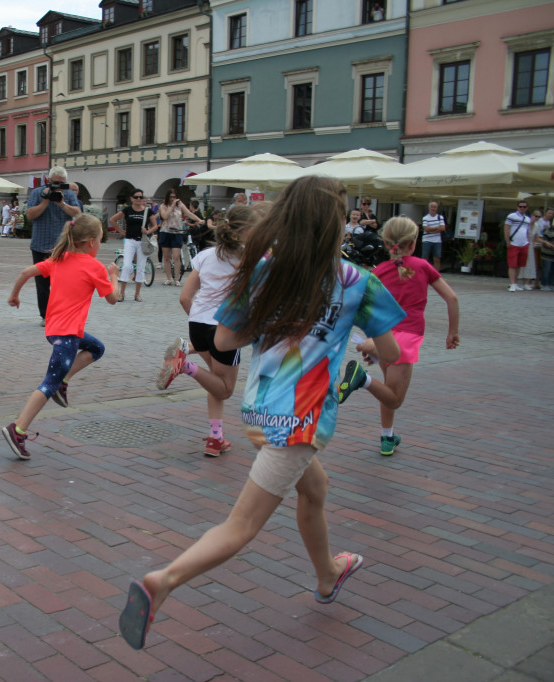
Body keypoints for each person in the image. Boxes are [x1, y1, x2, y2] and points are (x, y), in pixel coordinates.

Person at [117, 176, 405, 651]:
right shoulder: (357, 281)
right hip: (300, 420)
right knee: (242, 525)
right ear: (337, 224)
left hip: (258, 411)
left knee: (316, 488)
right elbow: (390, 352)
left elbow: (226, 341)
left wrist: (275, 322)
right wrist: (366, 344)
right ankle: (162, 580)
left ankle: (329, 574)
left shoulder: (263, 269)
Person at [337, 217, 460, 456]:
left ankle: (387, 436)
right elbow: (452, 299)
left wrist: (372, 341)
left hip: (385, 336)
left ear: (385, 242)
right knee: (395, 398)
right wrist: (453, 331)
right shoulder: (423, 266)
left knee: (388, 389)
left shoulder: (380, 271)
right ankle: (362, 379)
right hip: (408, 337)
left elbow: (362, 307)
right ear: (413, 243)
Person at [2, 214, 119, 459]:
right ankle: (18, 429)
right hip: (66, 336)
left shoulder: (59, 258)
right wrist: (114, 277)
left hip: (56, 331)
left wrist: (15, 295)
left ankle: (63, 382)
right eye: (100, 240)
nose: (100, 245)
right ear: (90, 242)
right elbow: (112, 298)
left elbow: (25, 272)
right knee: (48, 383)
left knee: (96, 348)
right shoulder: (94, 266)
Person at [157, 205, 257, 457]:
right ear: (246, 230)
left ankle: (216, 438)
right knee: (225, 388)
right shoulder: (253, 259)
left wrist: (199, 321)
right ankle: (185, 366)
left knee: (215, 381)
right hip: (226, 327)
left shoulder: (206, 255)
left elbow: (184, 297)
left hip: (198, 324)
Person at [25, 166, 82, 325]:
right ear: (49, 181)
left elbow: (78, 213)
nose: (57, 186)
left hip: (62, 246)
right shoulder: (38, 193)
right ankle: (45, 315)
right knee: (42, 285)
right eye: (55, 183)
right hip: (40, 245)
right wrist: (45, 201)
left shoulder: (69, 194)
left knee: (62, 284)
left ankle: (61, 314)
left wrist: (61, 203)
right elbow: (29, 215)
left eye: (61, 183)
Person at [108, 189, 157, 302]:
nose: (138, 199)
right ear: (131, 198)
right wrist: (120, 230)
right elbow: (112, 219)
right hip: (130, 240)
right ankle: (122, 293)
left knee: (140, 267)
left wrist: (148, 231)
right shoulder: (127, 210)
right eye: (136, 197)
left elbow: (155, 226)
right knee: (126, 266)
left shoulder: (147, 211)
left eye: (140, 197)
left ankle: (137, 294)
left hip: (142, 241)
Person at [158, 189, 201, 287]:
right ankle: (168, 278)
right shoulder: (163, 206)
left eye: (174, 197)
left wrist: (199, 220)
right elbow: (165, 216)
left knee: (177, 256)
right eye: (171, 197)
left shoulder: (180, 205)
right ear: (167, 197)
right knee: (167, 257)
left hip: (177, 232)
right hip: (165, 232)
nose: (172, 199)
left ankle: (177, 279)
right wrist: (172, 206)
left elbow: (189, 213)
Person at [504, 200, 531, 292]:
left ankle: (515, 282)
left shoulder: (527, 219)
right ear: (517, 207)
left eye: (524, 207)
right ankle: (512, 284)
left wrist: (528, 242)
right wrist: (508, 241)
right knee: (512, 265)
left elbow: (527, 231)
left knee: (519, 265)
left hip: (524, 243)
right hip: (514, 243)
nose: (522, 208)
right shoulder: (512, 216)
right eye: (520, 206)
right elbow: (506, 229)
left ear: (527, 208)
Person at [521, 210, 544, 291]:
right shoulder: (526, 223)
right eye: (535, 216)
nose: (537, 218)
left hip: (530, 245)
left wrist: (545, 242)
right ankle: (519, 282)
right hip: (523, 244)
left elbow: (537, 238)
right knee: (522, 263)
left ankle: (526, 283)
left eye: (539, 217)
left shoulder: (537, 226)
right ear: (532, 215)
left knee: (530, 263)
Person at [420, 202, 445, 271]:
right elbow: (426, 229)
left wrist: (431, 230)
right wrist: (437, 228)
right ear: (429, 208)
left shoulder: (440, 217)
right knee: (425, 258)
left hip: (437, 240)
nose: (433, 209)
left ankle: (436, 273)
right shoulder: (425, 218)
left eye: (435, 207)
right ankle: (423, 271)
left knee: (437, 258)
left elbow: (443, 228)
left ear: (437, 208)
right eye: (432, 207)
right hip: (427, 240)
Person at [536, 208, 554, 291]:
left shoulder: (550, 223)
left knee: (551, 269)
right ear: (545, 213)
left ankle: (550, 284)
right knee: (545, 268)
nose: (551, 215)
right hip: (542, 247)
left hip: (550, 251)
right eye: (549, 213)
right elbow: (541, 235)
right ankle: (543, 284)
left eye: (552, 214)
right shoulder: (540, 221)